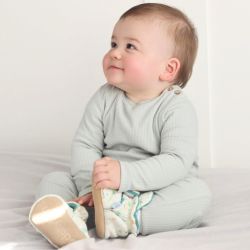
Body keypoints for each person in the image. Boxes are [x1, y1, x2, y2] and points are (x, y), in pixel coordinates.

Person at [29, 3, 212, 248]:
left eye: (130, 47)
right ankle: (73, 215)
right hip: (100, 187)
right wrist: (91, 189)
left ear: (167, 69)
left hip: (152, 191)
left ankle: (127, 217)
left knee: (197, 194)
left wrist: (125, 176)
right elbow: (86, 144)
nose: (115, 52)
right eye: (114, 44)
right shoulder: (104, 97)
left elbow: (177, 161)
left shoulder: (176, 108)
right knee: (53, 182)